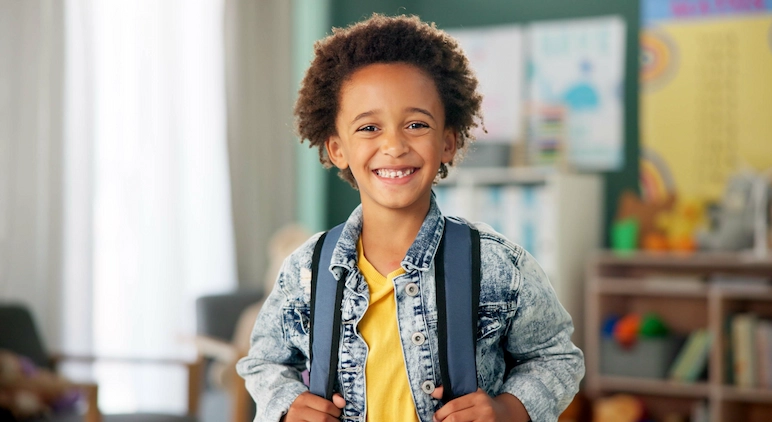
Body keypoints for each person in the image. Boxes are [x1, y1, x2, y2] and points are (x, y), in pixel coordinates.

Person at [237, 14, 584, 422]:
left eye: (416, 124)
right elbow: (262, 361)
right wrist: (287, 406)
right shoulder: (305, 270)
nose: (394, 145)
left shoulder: (498, 264)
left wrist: (508, 410)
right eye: (369, 127)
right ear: (337, 149)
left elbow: (556, 356)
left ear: (448, 142)